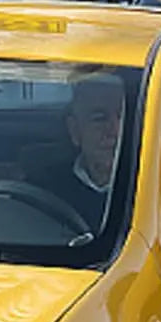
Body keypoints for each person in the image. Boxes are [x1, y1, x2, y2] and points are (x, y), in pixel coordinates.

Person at [33, 74, 124, 230]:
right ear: (75, 130)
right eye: (100, 118)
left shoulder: (157, 187)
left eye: (122, 117)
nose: (115, 130)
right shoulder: (44, 188)